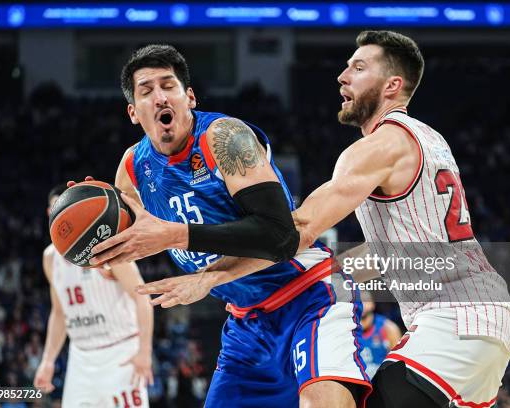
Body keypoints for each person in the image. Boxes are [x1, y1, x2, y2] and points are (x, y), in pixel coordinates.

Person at [133, 31, 510, 408]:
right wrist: (340, 267)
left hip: (452, 320)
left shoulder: (375, 147)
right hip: (484, 317)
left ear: (391, 85)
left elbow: (293, 232)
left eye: (358, 68)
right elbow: (403, 247)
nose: (342, 76)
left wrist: (207, 276)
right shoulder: (430, 137)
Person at [86, 44, 372, 407]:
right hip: (246, 321)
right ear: (133, 112)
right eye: (146, 91)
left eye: (168, 86)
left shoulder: (224, 138)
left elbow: (281, 236)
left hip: (308, 294)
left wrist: (190, 257)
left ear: (189, 97)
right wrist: (87, 234)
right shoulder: (131, 171)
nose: (159, 97)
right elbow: (121, 246)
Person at [33, 184, 154, 407]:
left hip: (120, 351)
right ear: (50, 215)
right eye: (56, 209)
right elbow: (59, 313)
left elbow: (142, 297)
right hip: (81, 356)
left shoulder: (108, 246)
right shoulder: (49, 258)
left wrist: (144, 351)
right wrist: (48, 360)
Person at [358, 294, 401, 379]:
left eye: (364, 299)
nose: (361, 303)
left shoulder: (388, 328)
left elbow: (399, 366)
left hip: (381, 385)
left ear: (372, 303)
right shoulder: (346, 330)